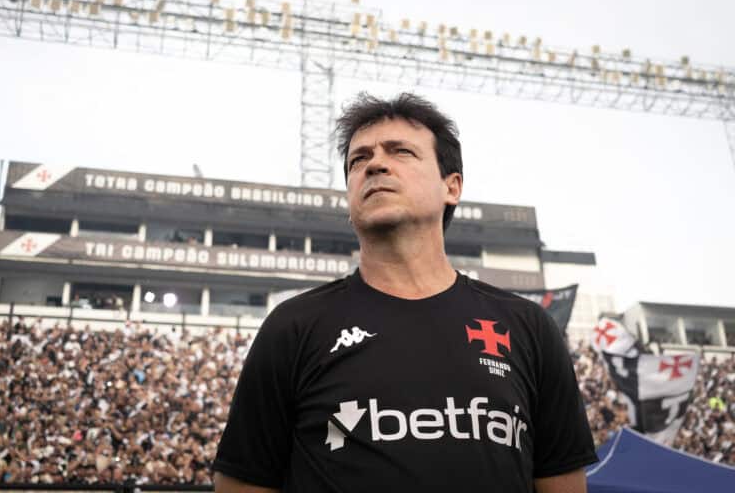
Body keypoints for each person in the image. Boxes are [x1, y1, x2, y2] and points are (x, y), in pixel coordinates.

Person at [211, 93, 597, 492]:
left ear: (452, 186)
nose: (375, 164)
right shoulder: (294, 326)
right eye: (358, 160)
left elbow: (561, 482)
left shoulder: (527, 326)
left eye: (401, 152)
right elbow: (243, 483)